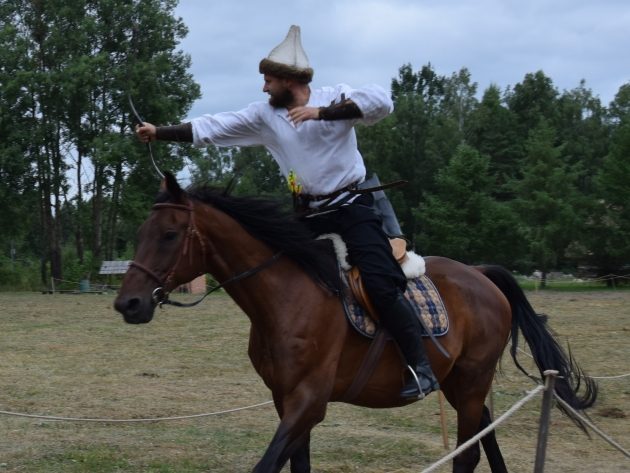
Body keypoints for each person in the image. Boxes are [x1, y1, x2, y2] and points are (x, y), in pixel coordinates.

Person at [135, 25, 438, 399]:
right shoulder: (266, 116)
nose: (264, 88)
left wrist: (321, 113)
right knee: (281, 280)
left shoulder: (333, 98)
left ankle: (420, 367)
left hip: (352, 209)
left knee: (379, 282)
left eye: (269, 80)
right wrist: (159, 131)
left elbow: (381, 102)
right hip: (308, 216)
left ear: (290, 81)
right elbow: (215, 126)